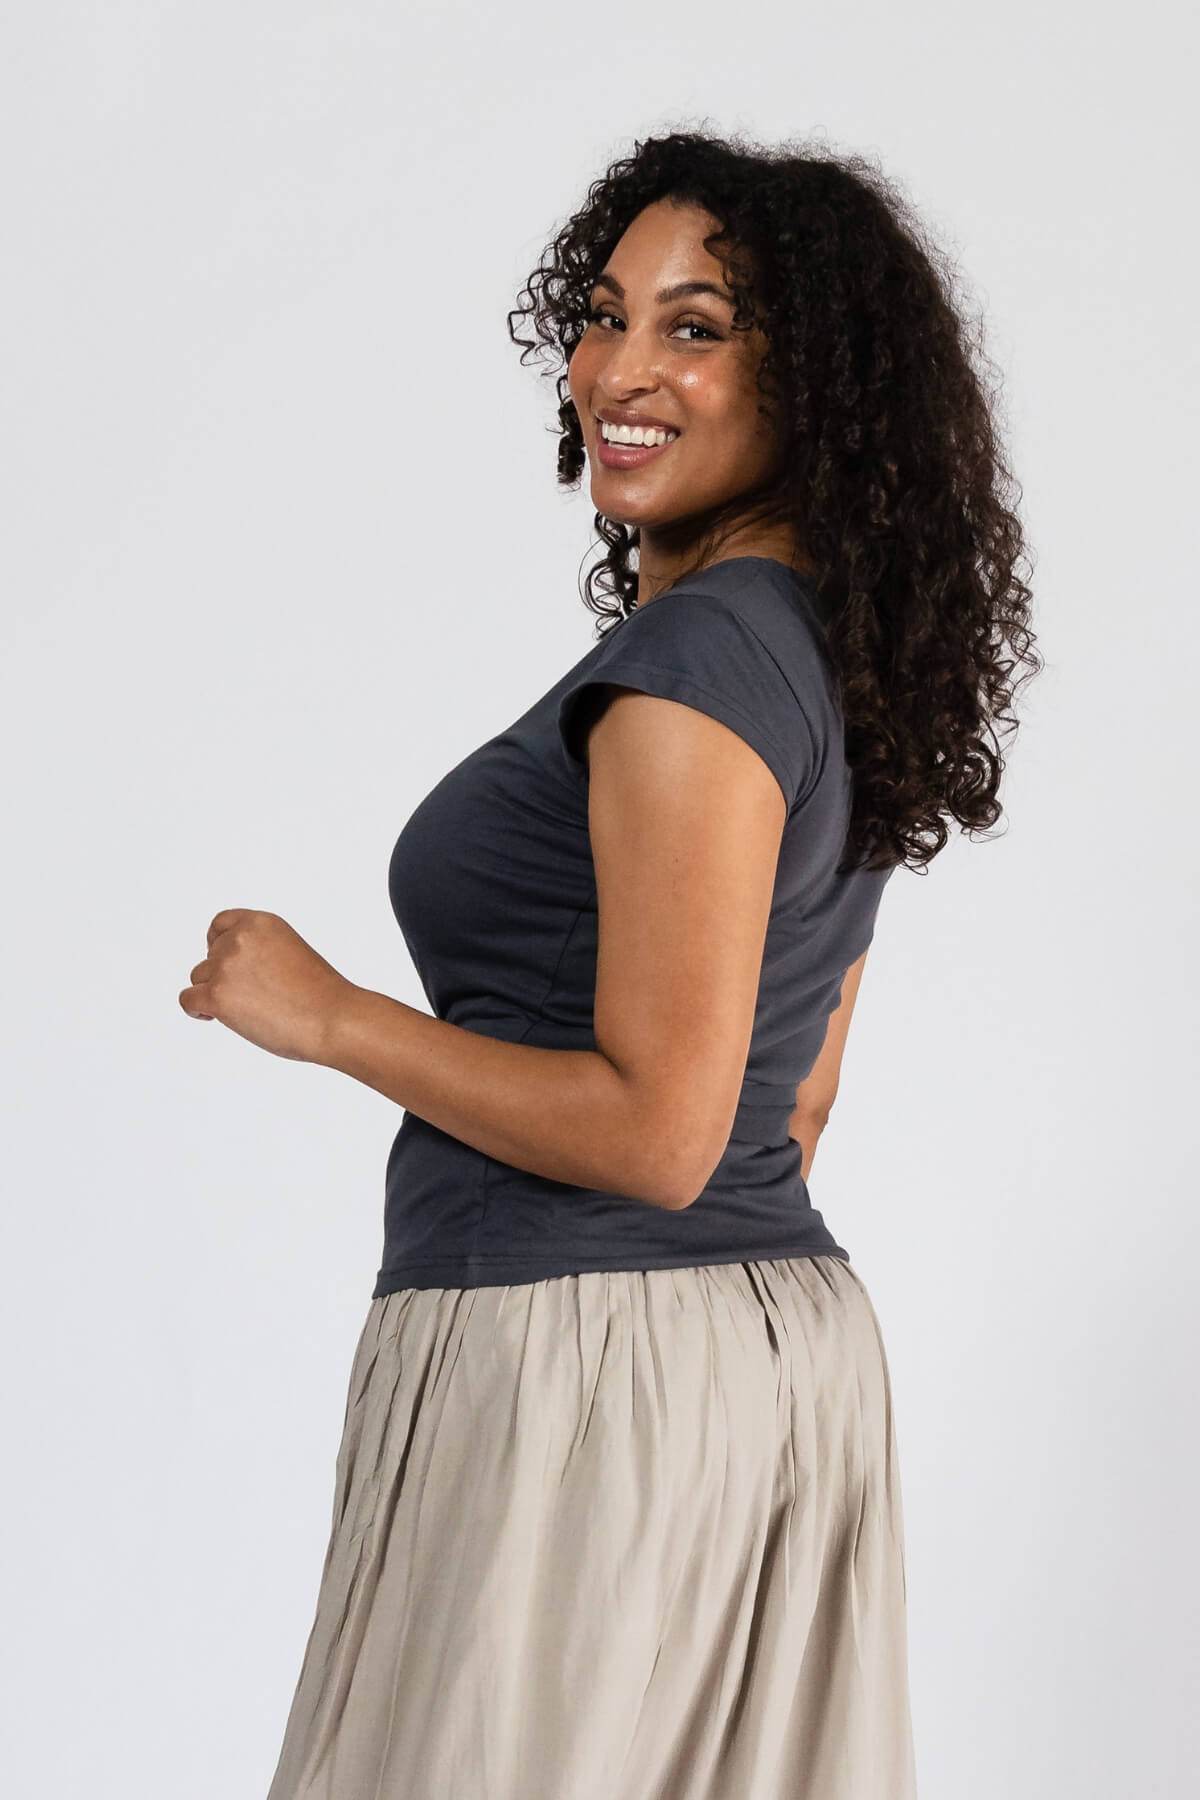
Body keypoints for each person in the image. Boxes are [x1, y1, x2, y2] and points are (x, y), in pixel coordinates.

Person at [180, 129, 1040, 1799]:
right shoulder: (826, 654)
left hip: (578, 1367)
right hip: (757, 1365)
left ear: (819, 387)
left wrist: (332, 1017)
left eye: (696, 328)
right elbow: (793, 1102)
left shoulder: (696, 668)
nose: (620, 370)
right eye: (603, 314)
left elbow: (664, 1134)